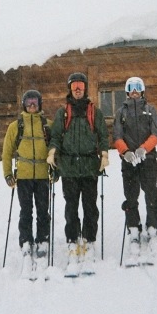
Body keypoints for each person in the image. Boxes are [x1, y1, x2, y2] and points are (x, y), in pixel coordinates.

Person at [47, 72, 109, 275]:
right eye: (74, 85)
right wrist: (52, 151)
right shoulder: (62, 113)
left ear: (85, 88)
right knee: (71, 207)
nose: (78, 88)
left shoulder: (95, 112)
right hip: (70, 169)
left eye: (81, 85)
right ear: (70, 88)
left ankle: (89, 241)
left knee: (91, 207)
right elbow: (55, 135)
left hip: (90, 166)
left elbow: (103, 135)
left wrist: (105, 154)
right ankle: (73, 242)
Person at [1, 89, 53, 275]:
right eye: (29, 102)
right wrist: (8, 174)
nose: (32, 106)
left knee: (42, 210)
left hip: (42, 175)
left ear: (40, 104)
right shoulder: (16, 126)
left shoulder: (48, 125)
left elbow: (56, 150)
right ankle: (26, 241)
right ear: (24, 104)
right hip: (23, 176)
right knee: (26, 211)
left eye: (35, 103)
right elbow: (7, 152)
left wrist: (56, 170)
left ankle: (43, 239)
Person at [112, 76, 157, 265]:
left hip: (147, 159)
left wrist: (144, 148)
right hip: (129, 162)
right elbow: (117, 135)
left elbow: (156, 133)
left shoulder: (150, 110)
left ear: (142, 91)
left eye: (138, 88)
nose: (135, 91)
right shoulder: (121, 112)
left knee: (151, 195)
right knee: (131, 197)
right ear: (127, 92)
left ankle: (152, 227)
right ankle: (134, 228)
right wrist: (125, 152)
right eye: (131, 88)